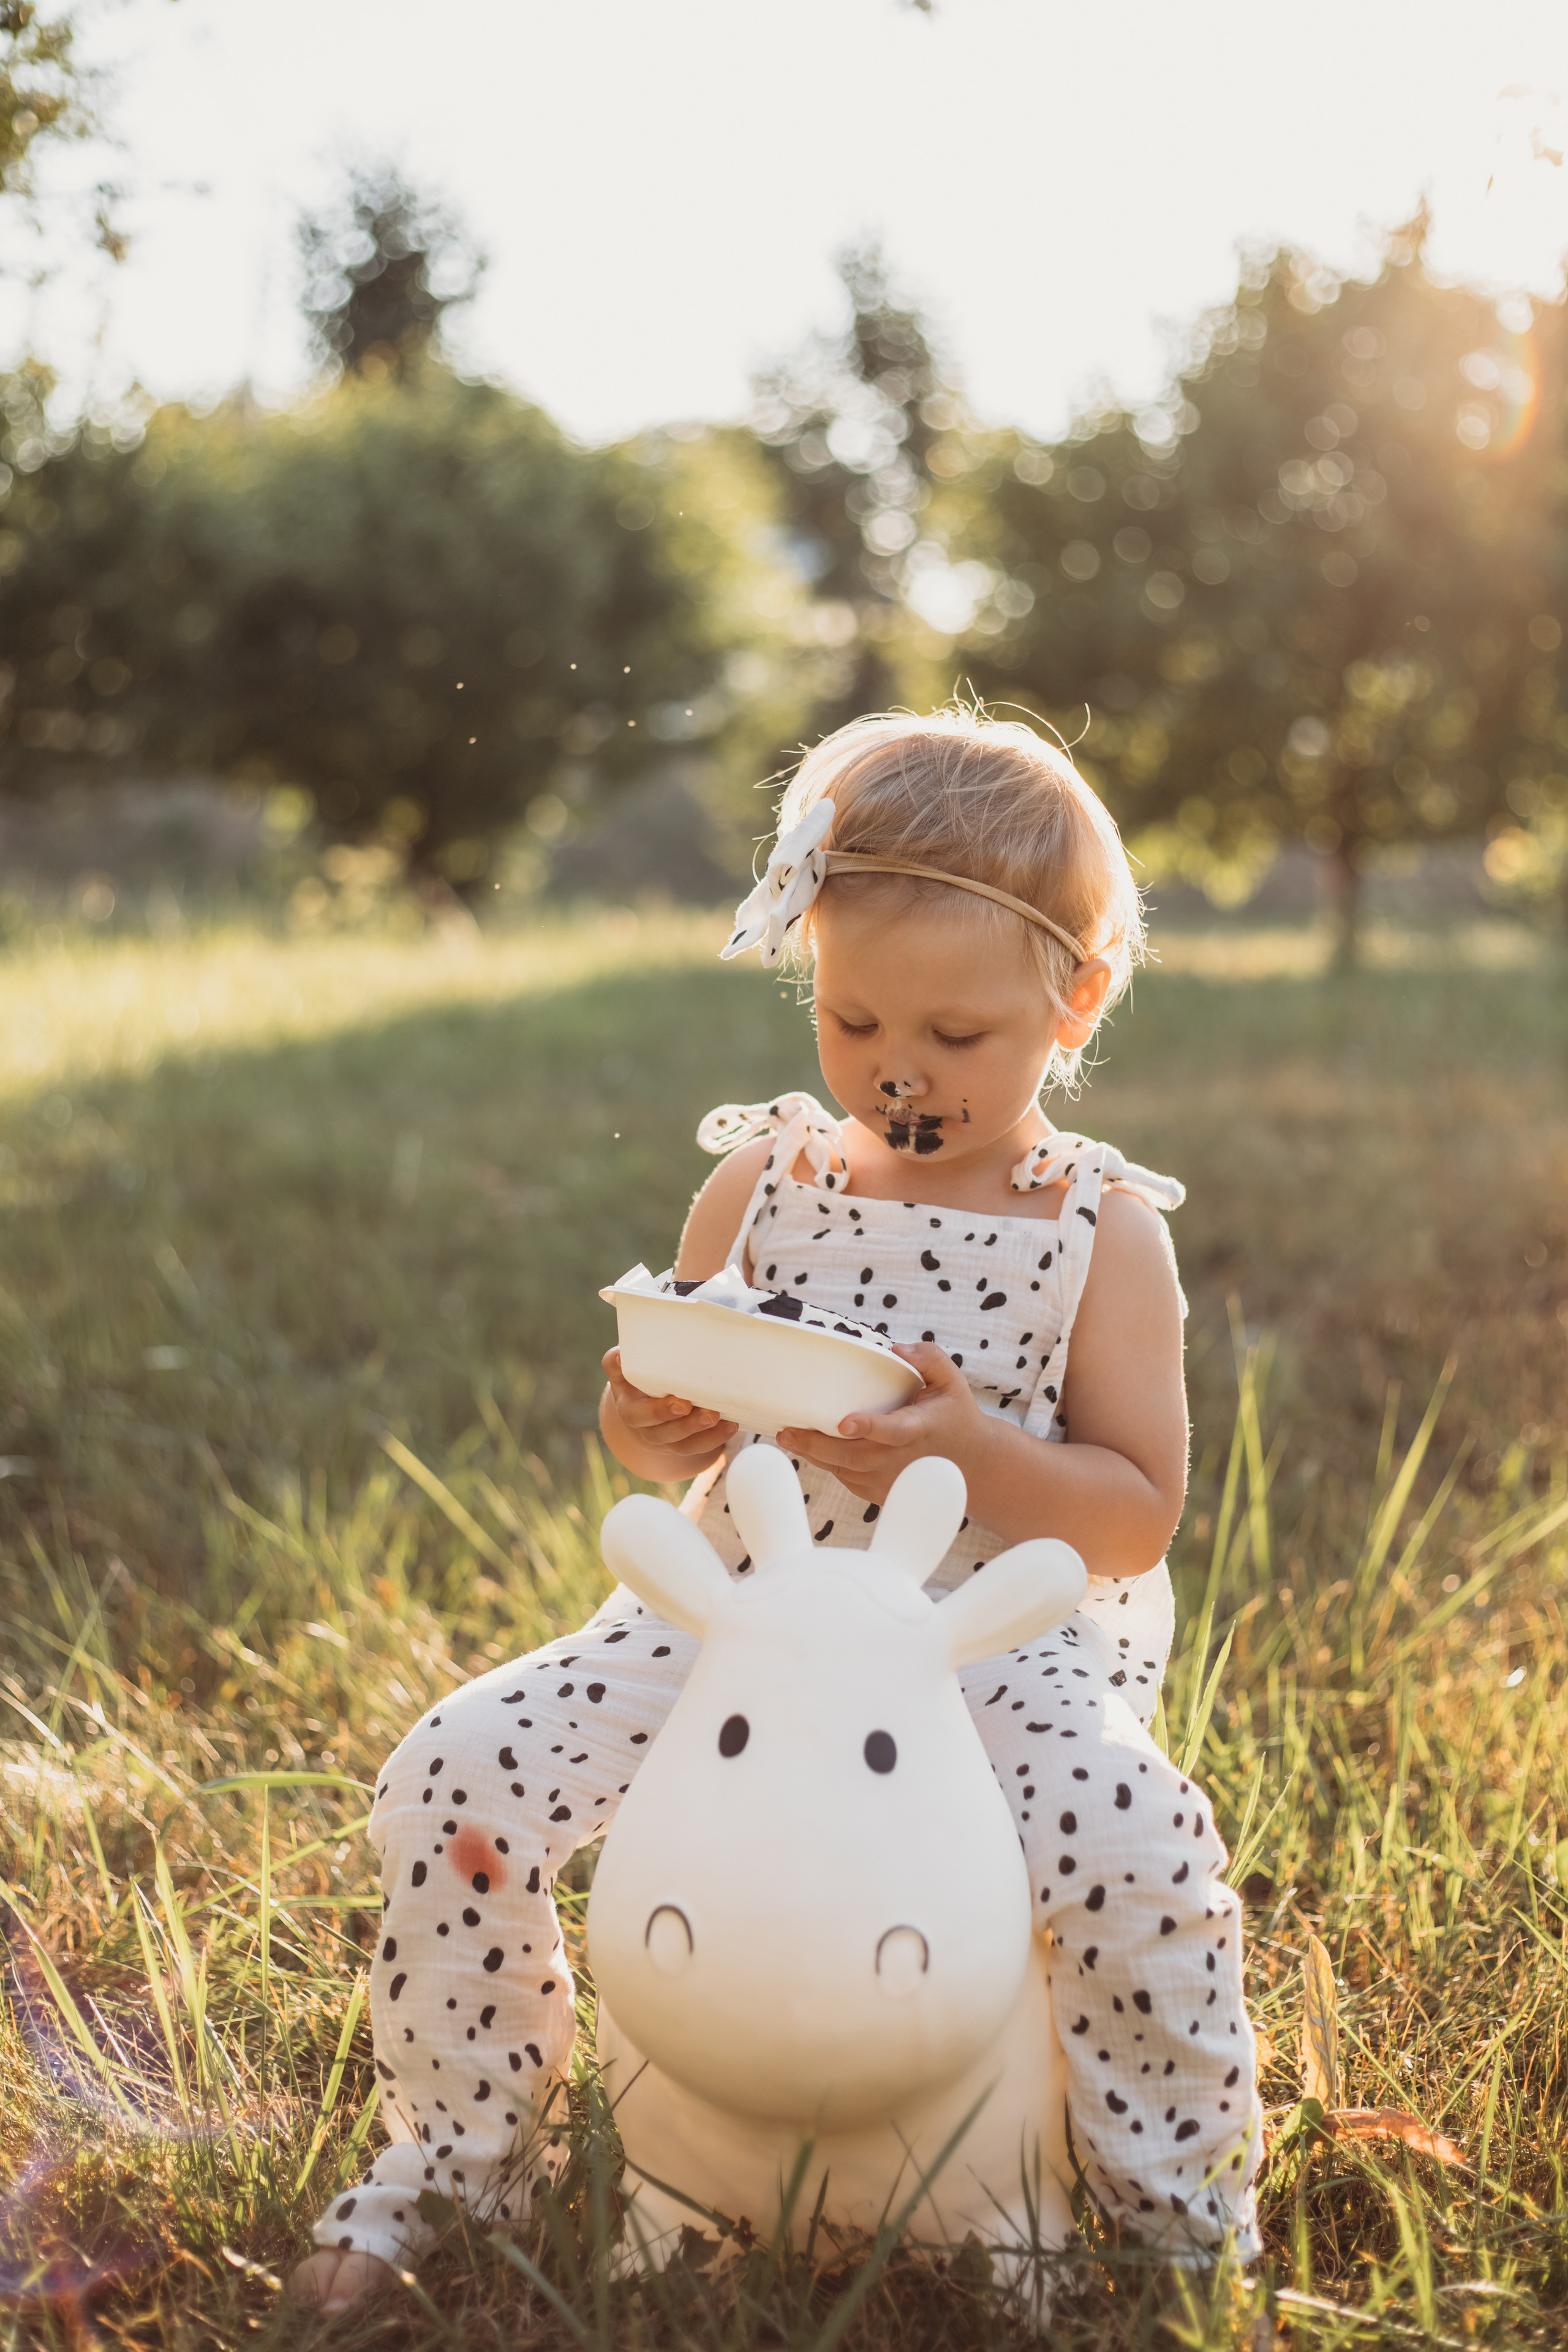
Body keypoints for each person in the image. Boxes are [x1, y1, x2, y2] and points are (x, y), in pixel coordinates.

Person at [294, 707, 1262, 2312]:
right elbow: (671, 1430)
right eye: (850, 1014)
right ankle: (457, 2156)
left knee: (1135, 1839)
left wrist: (973, 1453)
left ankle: (1173, 2220)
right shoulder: (770, 1178)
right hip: (740, 1604)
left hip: (981, 1635)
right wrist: (649, 1418)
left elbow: (1134, 1516)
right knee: (456, 1774)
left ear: (1074, 997)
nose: (897, 1069)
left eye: (956, 1036)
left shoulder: (1095, 1228)